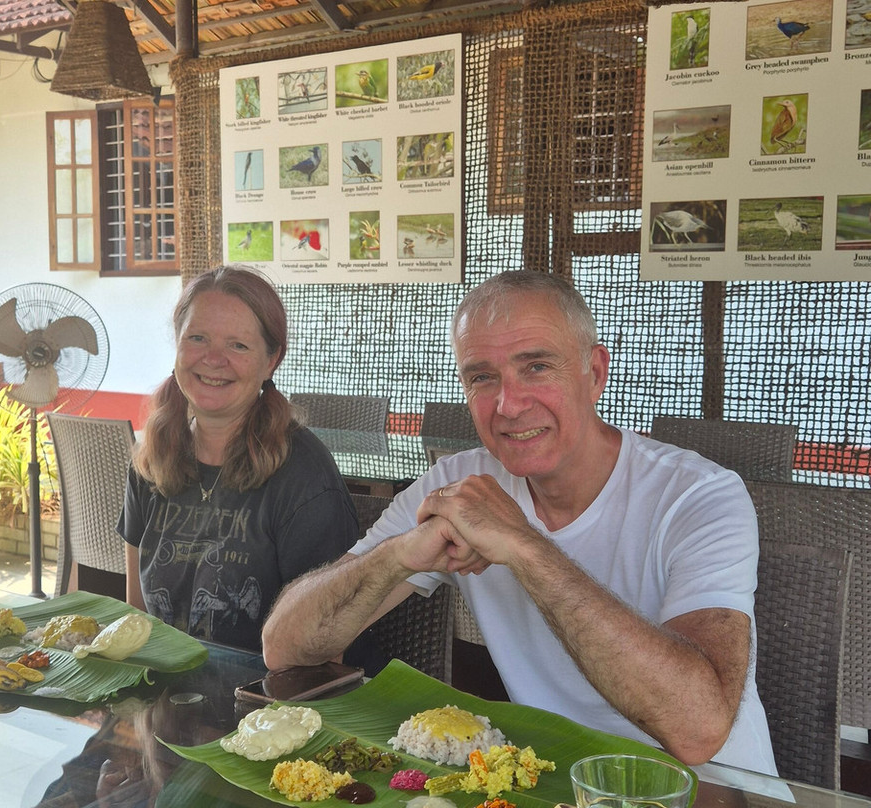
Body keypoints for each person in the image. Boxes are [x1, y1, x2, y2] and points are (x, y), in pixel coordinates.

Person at [262, 270, 777, 774]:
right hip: (551, 779)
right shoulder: (459, 483)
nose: (508, 405)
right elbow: (284, 648)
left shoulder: (698, 495)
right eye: (482, 377)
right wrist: (397, 556)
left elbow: (698, 730)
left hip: (712, 789)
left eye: (537, 367)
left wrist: (525, 546)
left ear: (595, 372)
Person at [118, 265, 358, 653]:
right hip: (163, 685)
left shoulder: (303, 475)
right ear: (178, 345)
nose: (214, 359)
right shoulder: (153, 457)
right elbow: (138, 617)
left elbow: (324, 645)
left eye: (238, 346)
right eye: (198, 338)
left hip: (268, 689)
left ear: (271, 361)